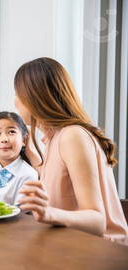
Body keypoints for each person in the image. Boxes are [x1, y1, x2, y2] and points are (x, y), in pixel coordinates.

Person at [14, 57, 128, 245]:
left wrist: (49, 213)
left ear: (34, 96)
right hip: (71, 244)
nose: (15, 101)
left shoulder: (72, 136)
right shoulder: (55, 138)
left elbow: (97, 221)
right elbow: (63, 184)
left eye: (18, 93)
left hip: (101, 253)